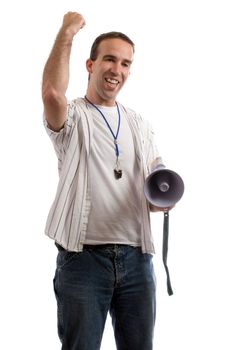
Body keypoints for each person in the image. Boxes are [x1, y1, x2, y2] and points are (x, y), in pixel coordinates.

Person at [42, 11, 171, 350]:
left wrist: (164, 198)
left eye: (126, 63)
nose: (117, 70)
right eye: (110, 60)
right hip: (83, 261)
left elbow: (156, 191)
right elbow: (52, 94)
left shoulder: (139, 124)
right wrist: (67, 32)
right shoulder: (73, 116)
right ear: (90, 64)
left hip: (137, 261)